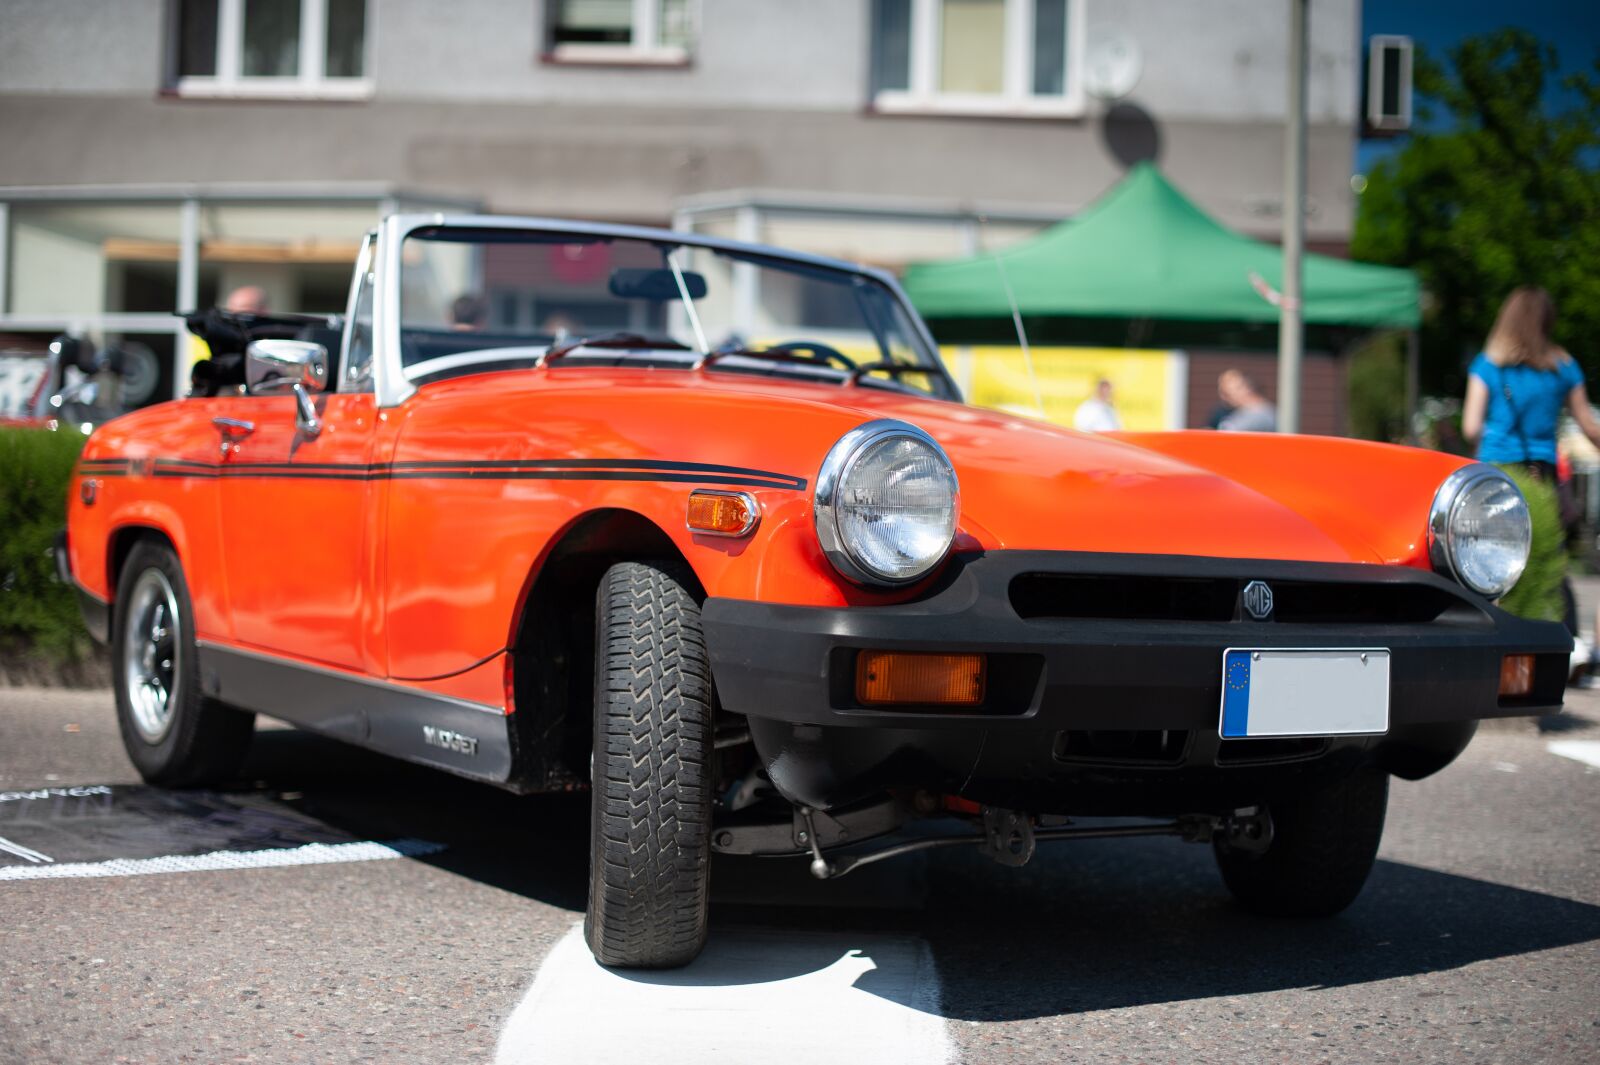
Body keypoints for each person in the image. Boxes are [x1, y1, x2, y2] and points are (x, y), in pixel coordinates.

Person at [1461, 286, 1600, 624]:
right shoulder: (1564, 367)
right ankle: (1556, 642)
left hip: (1494, 478)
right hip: (1541, 478)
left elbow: (1470, 427)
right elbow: (1588, 426)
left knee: (1489, 568)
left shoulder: (1488, 365)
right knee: (1543, 566)